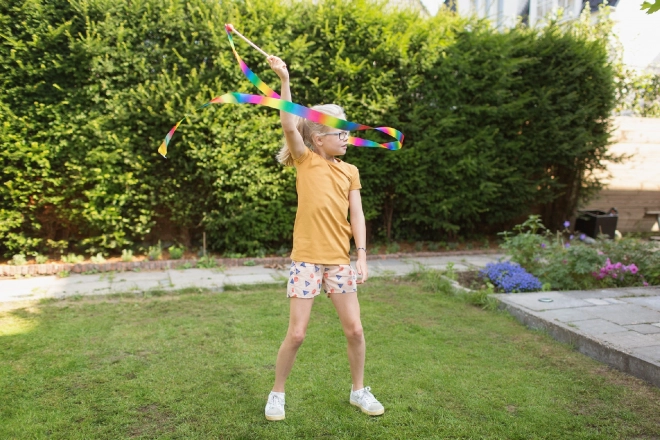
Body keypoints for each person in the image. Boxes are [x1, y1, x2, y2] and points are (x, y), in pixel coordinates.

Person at [263, 54, 384, 421]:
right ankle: (277, 394)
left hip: (338, 260)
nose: (347, 138)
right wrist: (283, 79)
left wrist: (361, 256)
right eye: (340, 133)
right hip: (306, 260)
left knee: (356, 329)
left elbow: (357, 215)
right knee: (297, 334)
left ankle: (359, 391)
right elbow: (288, 125)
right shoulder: (306, 160)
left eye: (347, 133)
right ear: (318, 138)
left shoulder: (350, 170)